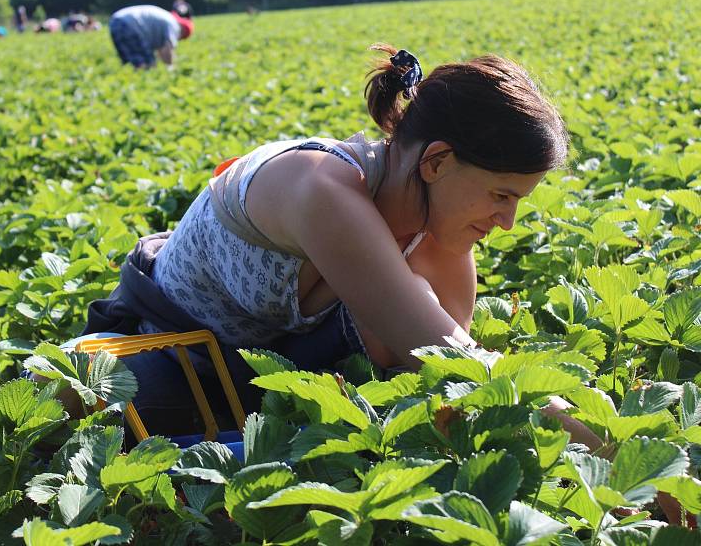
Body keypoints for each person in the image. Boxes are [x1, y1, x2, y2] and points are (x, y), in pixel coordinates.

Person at [80, 44, 568, 435]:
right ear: (436, 162)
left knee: (417, 314)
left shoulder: (439, 241)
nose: (507, 221)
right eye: (501, 195)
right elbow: (452, 356)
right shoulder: (323, 188)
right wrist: (600, 439)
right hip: (176, 350)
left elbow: (451, 381)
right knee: (74, 389)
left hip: (266, 370)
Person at [108, 4, 193, 69]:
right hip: (130, 26)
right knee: (147, 65)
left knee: (130, 65)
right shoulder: (174, 26)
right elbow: (167, 49)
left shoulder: (167, 18)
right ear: (183, 32)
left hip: (116, 22)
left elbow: (161, 49)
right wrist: (170, 67)